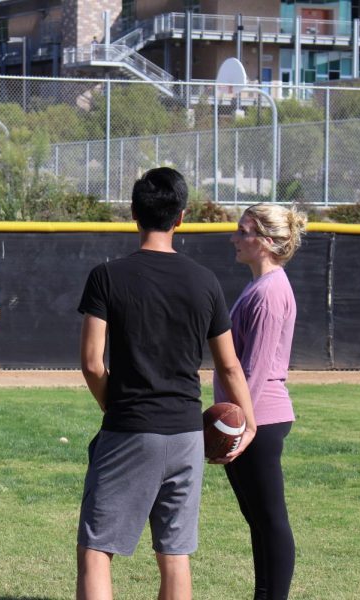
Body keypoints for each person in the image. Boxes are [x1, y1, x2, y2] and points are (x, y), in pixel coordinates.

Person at [76, 167, 257, 600]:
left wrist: (114, 407)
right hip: (186, 434)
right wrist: (248, 423)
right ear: (181, 217)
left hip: (130, 428)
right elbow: (229, 367)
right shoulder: (206, 281)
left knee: (97, 550)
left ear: (134, 214)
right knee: (175, 555)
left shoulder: (107, 276)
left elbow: (91, 364)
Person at [212, 203, 307, 600]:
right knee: (258, 520)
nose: (235, 238)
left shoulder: (268, 292)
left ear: (266, 242)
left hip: (260, 421)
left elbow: (255, 369)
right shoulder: (261, 285)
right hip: (255, 419)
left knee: (269, 520)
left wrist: (242, 426)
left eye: (243, 231)